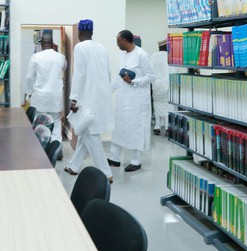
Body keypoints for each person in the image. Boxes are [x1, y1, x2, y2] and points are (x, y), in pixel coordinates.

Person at [64, 19, 114, 183]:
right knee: (86, 134)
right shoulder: (102, 48)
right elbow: (108, 74)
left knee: (92, 137)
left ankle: (106, 174)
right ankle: (73, 166)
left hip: (87, 100)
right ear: (92, 32)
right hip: (100, 98)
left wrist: (74, 98)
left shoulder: (80, 47)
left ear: (79, 33)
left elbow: (79, 74)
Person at [108, 29, 155, 172]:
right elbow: (118, 77)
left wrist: (134, 81)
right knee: (119, 128)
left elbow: (151, 77)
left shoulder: (142, 55)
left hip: (137, 101)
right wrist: (107, 92)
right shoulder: (123, 55)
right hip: (124, 99)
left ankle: (136, 161)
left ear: (125, 40)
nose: (117, 44)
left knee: (136, 129)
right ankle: (114, 158)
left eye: (118, 41)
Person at [25, 31, 67, 145]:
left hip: (40, 97)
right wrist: (56, 51)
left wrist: (28, 93)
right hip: (55, 97)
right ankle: (56, 147)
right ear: (52, 43)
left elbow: (29, 77)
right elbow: (64, 67)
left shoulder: (36, 57)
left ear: (41, 44)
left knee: (39, 123)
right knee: (56, 122)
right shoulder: (61, 57)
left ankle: (40, 148)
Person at [150, 40, 172, 135]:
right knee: (168, 106)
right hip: (168, 84)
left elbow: (150, 70)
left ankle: (157, 126)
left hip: (157, 85)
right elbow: (174, 70)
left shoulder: (154, 56)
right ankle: (167, 128)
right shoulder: (170, 56)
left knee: (157, 105)